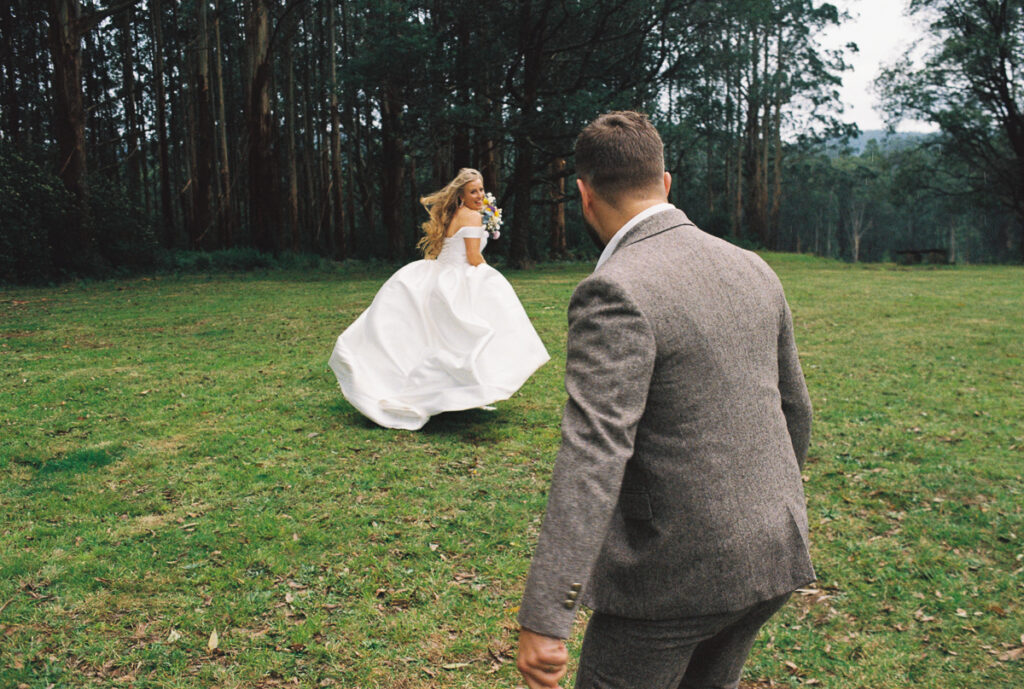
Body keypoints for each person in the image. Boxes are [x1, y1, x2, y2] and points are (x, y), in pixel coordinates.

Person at [516, 112, 814, 689]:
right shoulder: (752, 267)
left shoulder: (615, 290)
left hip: (671, 579)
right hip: (771, 553)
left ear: (583, 194)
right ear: (666, 182)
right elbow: (795, 410)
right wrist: (756, 515)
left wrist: (547, 613)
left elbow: (592, 456)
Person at [328, 168, 549, 430]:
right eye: (473, 191)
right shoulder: (472, 217)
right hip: (456, 278)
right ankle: (449, 391)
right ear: (462, 194)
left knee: (440, 338)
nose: (479, 195)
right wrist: (490, 278)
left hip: (438, 275)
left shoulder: (454, 213)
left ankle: (462, 392)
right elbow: (473, 256)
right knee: (470, 335)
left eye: (481, 189)